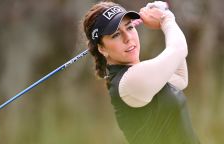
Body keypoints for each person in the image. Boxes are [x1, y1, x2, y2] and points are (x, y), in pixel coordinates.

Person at [82, 1, 200, 144]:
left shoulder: (135, 76)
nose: (128, 38)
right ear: (102, 48)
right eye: (116, 35)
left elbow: (180, 79)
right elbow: (179, 49)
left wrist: (164, 16)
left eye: (130, 27)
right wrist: (166, 18)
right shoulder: (130, 82)